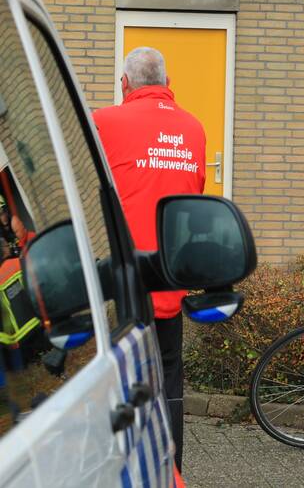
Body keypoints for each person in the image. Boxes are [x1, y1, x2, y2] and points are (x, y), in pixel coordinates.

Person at [93, 47, 206, 472]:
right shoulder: (194, 129)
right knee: (168, 383)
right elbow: (193, 195)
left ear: (125, 84)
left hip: (120, 285)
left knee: (117, 383)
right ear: (167, 84)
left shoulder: (103, 122)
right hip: (169, 281)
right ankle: (169, 470)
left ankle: (117, 468)